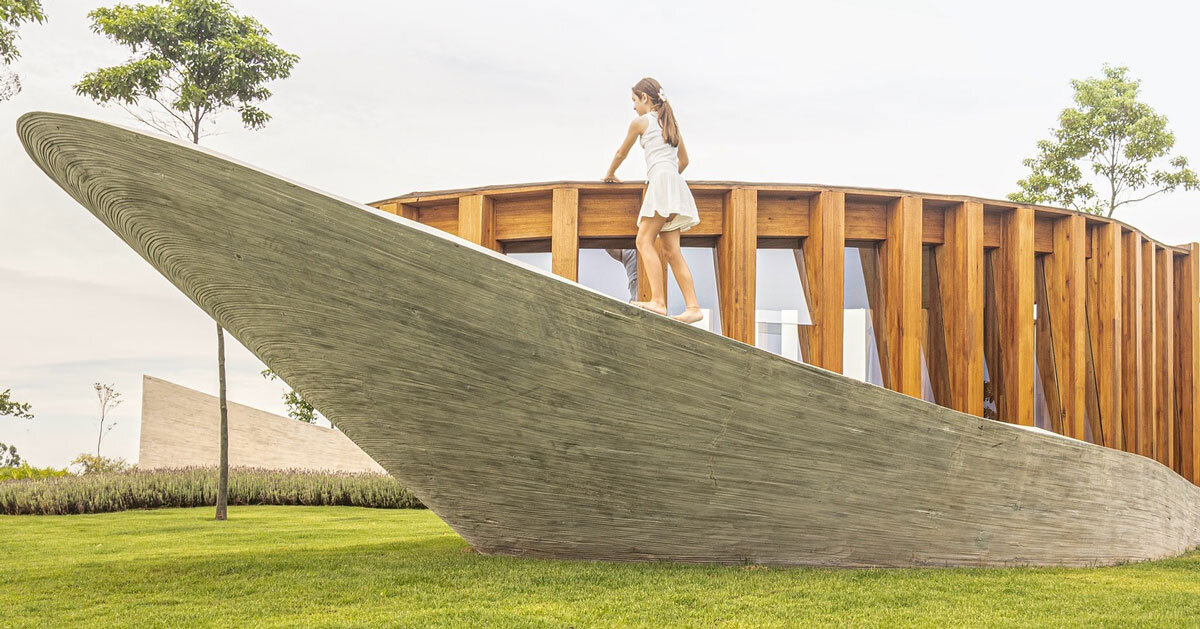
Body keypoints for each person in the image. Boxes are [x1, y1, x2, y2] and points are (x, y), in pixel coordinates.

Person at [602, 77, 703, 324]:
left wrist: (610, 173)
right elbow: (684, 161)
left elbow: (621, 152)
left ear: (645, 98)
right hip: (675, 184)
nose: (634, 106)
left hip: (660, 182)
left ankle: (658, 301)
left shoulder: (641, 122)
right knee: (672, 250)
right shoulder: (670, 123)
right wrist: (670, 180)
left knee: (643, 240)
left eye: (635, 100)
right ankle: (693, 307)